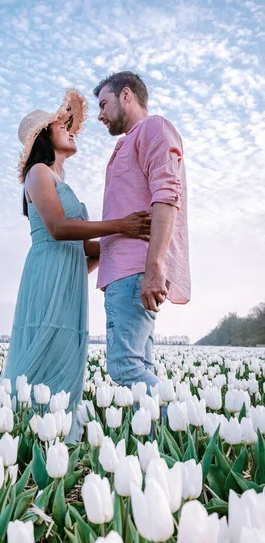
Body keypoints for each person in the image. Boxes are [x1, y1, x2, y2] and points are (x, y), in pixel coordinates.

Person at [0, 89, 151, 441]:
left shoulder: (61, 181)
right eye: (61, 125)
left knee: (67, 350)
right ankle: (22, 433)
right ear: (42, 138)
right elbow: (58, 228)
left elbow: (86, 251)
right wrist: (120, 226)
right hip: (46, 272)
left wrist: (128, 245)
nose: (70, 128)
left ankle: (54, 432)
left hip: (69, 279)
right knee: (43, 347)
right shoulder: (37, 173)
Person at [94, 72, 191, 393]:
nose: (100, 115)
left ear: (126, 96)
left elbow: (167, 195)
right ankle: (157, 443)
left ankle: (184, 423)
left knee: (125, 368)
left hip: (135, 270)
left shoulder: (153, 128)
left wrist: (155, 267)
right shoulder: (127, 143)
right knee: (139, 367)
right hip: (125, 272)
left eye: (104, 104)